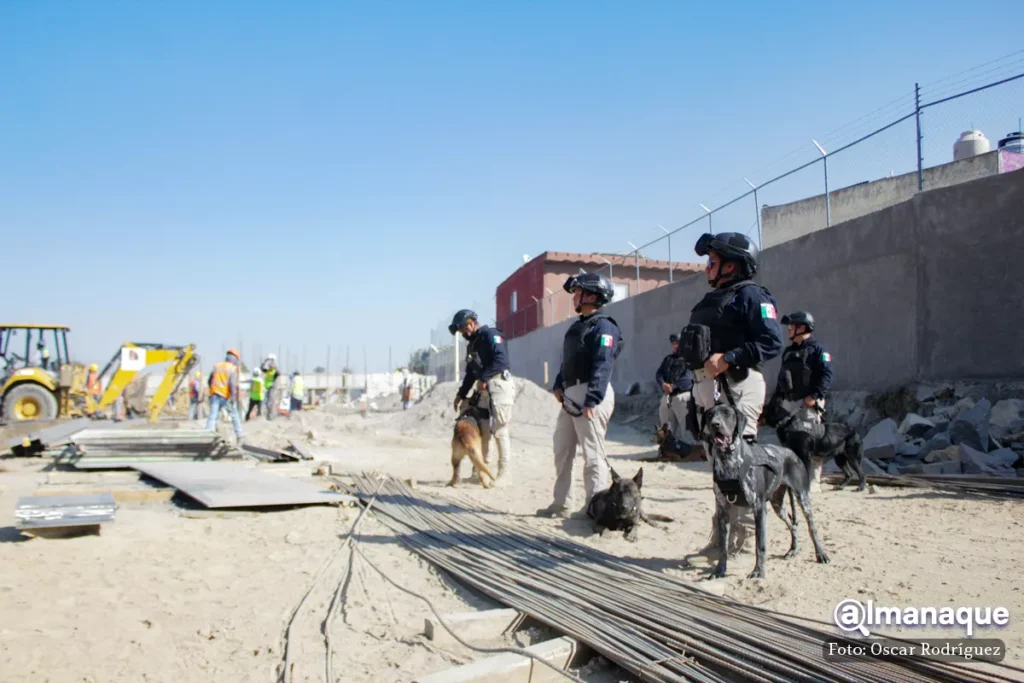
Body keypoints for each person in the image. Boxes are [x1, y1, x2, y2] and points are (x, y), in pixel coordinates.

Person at [678, 232, 783, 562]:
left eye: (713, 262)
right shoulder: (712, 300)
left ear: (732, 265)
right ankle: (721, 539)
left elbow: (771, 342)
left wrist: (729, 358)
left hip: (737, 387)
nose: (706, 268)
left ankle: (743, 542)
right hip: (709, 389)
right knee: (719, 467)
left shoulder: (752, 295)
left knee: (739, 465)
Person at [537, 273, 622, 519]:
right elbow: (569, 361)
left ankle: (594, 508)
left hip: (590, 394)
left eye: (578, 292)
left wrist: (592, 398)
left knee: (593, 454)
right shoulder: (577, 326)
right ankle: (561, 503)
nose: (574, 297)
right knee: (562, 450)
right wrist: (558, 384)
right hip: (571, 395)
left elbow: (603, 364)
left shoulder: (605, 327)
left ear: (593, 296)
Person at [450, 310, 516, 482]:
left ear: (471, 323)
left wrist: (484, 378)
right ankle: (480, 473)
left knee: (500, 430)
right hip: (484, 389)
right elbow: (471, 374)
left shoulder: (491, 335)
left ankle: (504, 474)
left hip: (499, 385)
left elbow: (501, 360)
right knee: (483, 430)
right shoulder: (472, 345)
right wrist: (461, 394)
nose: (463, 334)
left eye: (464, 329)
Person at [773, 311, 833, 420]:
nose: (788, 330)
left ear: (802, 328)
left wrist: (813, 397)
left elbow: (827, 375)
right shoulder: (788, 352)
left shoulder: (818, 349)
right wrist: (776, 401)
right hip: (789, 404)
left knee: (807, 430)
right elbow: (782, 377)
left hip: (808, 404)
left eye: (791, 326)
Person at [655, 333, 695, 440]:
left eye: (678, 343)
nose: (675, 345)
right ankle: (668, 445)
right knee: (666, 426)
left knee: (685, 428)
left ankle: (687, 447)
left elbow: (688, 378)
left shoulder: (689, 359)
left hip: (682, 396)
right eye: (674, 343)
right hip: (668, 396)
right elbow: (659, 373)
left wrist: (673, 386)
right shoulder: (668, 359)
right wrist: (663, 384)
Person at [205, 349, 244, 442]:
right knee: (234, 415)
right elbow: (232, 384)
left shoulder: (217, 366)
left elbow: (209, 381)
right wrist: (234, 398)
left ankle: (208, 434)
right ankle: (239, 435)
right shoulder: (232, 368)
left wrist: (212, 390)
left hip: (214, 394)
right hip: (226, 396)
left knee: (212, 415)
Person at [260, 354, 279, 420]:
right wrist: (265, 361)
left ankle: (271, 416)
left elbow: (278, 372)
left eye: (272, 365)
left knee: (270, 402)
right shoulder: (267, 371)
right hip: (267, 387)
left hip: (272, 387)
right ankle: (268, 416)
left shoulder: (275, 372)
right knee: (268, 403)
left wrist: (274, 361)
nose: (270, 366)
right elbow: (261, 368)